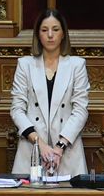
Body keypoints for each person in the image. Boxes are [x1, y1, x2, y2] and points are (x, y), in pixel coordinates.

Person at [11, 10, 90, 178]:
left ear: (63, 34)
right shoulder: (25, 65)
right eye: (44, 30)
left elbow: (80, 110)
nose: (50, 35)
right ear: (38, 35)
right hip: (31, 149)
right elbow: (17, 109)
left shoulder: (77, 65)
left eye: (55, 29)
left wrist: (59, 147)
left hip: (67, 150)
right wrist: (40, 144)